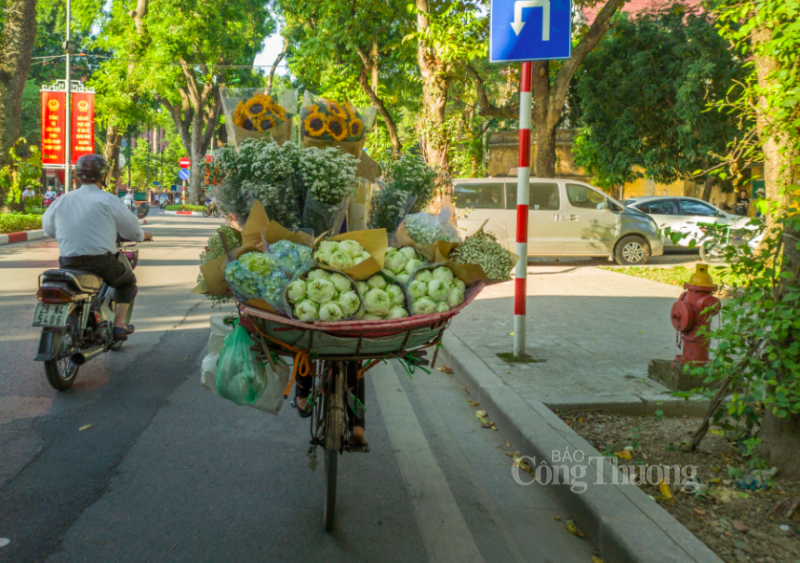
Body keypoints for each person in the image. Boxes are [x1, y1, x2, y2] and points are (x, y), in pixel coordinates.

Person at [42, 154, 153, 340]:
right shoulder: (108, 200)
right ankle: (118, 324)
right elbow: (132, 231)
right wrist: (143, 236)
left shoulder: (62, 200)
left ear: (78, 175)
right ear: (103, 176)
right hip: (100, 262)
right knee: (127, 282)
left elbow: (48, 229)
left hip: (68, 261)